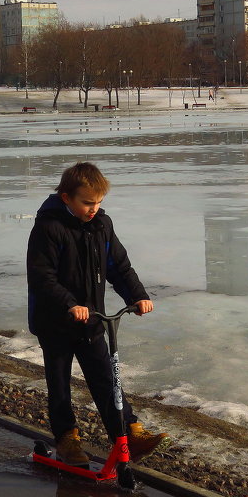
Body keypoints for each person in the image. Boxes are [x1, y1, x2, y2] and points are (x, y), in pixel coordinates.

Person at [27, 162, 168, 466]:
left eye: (99, 202)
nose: (94, 208)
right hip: (54, 322)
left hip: (91, 320)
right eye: (87, 202)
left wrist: (138, 296)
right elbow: (41, 276)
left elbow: (119, 266)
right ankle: (67, 441)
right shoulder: (48, 227)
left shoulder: (102, 225)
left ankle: (129, 434)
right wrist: (69, 304)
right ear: (66, 198)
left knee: (106, 377)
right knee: (60, 384)